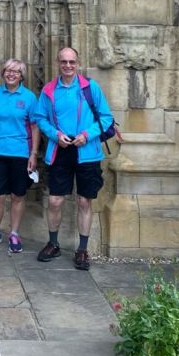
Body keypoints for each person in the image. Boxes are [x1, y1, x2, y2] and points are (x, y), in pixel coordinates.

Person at [34, 47, 114, 270]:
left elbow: (107, 119)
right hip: (60, 150)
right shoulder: (49, 90)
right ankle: (53, 243)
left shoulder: (90, 88)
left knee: (84, 201)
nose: (68, 66)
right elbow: (40, 118)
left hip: (86, 152)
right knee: (55, 201)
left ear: (77, 63)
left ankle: (82, 250)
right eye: (64, 62)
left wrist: (86, 136)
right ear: (58, 63)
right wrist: (55, 135)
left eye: (72, 62)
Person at [0, 58, 38, 254]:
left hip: (21, 153)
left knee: (17, 195)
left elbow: (34, 126)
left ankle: (14, 233)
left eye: (16, 71)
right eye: (8, 71)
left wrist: (33, 153)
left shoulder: (29, 97)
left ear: (22, 76)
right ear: (3, 73)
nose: (11, 74)